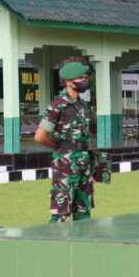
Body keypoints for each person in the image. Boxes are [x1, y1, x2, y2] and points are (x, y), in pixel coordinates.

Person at [35, 62, 98, 223]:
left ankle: (82, 245)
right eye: (81, 78)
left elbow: (85, 139)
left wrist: (92, 169)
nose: (85, 80)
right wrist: (59, 147)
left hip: (84, 164)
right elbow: (40, 136)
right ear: (69, 82)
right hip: (65, 166)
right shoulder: (58, 105)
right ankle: (55, 247)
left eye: (85, 77)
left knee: (84, 212)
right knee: (61, 214)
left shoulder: (83, 106)